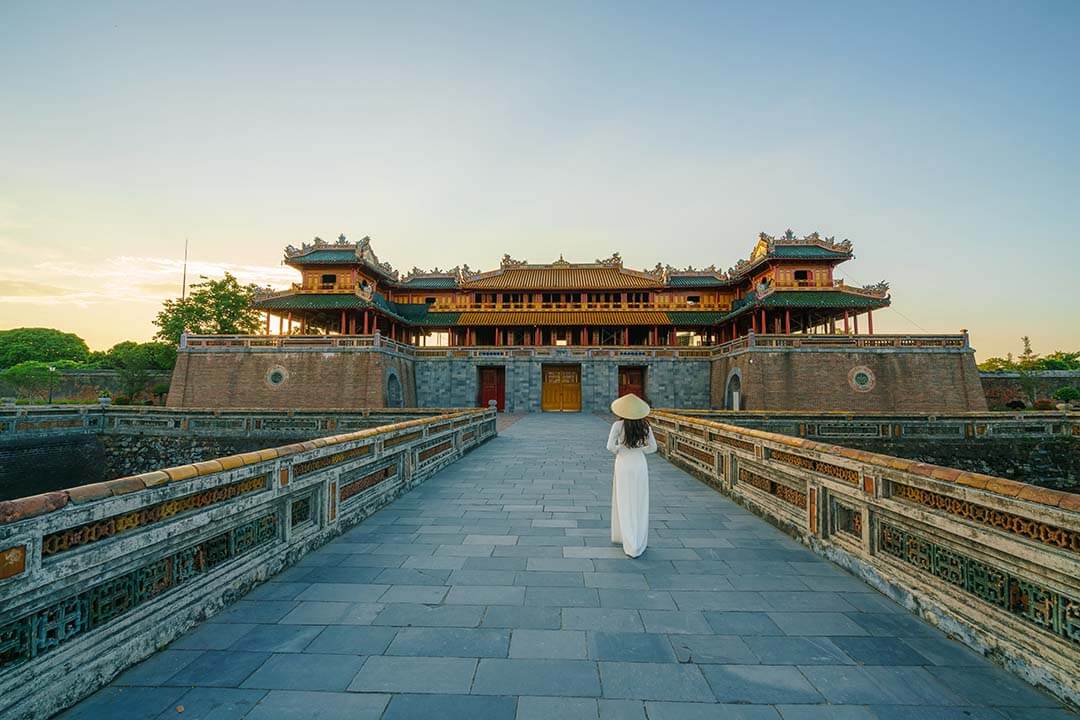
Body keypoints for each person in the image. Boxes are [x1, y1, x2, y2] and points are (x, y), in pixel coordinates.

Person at [607, 393, 657, 558]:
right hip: (639, 464)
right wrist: (640, 449)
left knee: (624, 500)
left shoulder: (617, 426)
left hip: (623, 463)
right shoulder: (645, 426)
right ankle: (638, 541)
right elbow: (653, 448)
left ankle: (627, 540)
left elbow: (610, 447)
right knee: (639, 502)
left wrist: (621, 449)